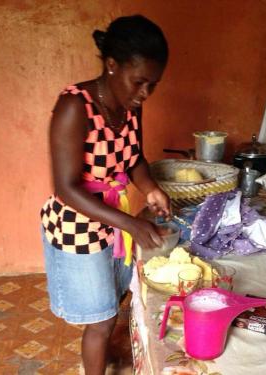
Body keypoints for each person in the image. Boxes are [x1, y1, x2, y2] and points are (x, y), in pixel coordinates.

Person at [40, 15, 170, 374]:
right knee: (99, 320)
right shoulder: (74, 107)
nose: (145, 93)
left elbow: (134, 159)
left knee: (113, 301)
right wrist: (130, 223)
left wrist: (151, 188)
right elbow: (66, 188)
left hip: (112, 220)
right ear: (112, 66)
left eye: (153, 85)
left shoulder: (131, 107)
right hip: (77, 225)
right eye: (139, 81)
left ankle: (97, 358)